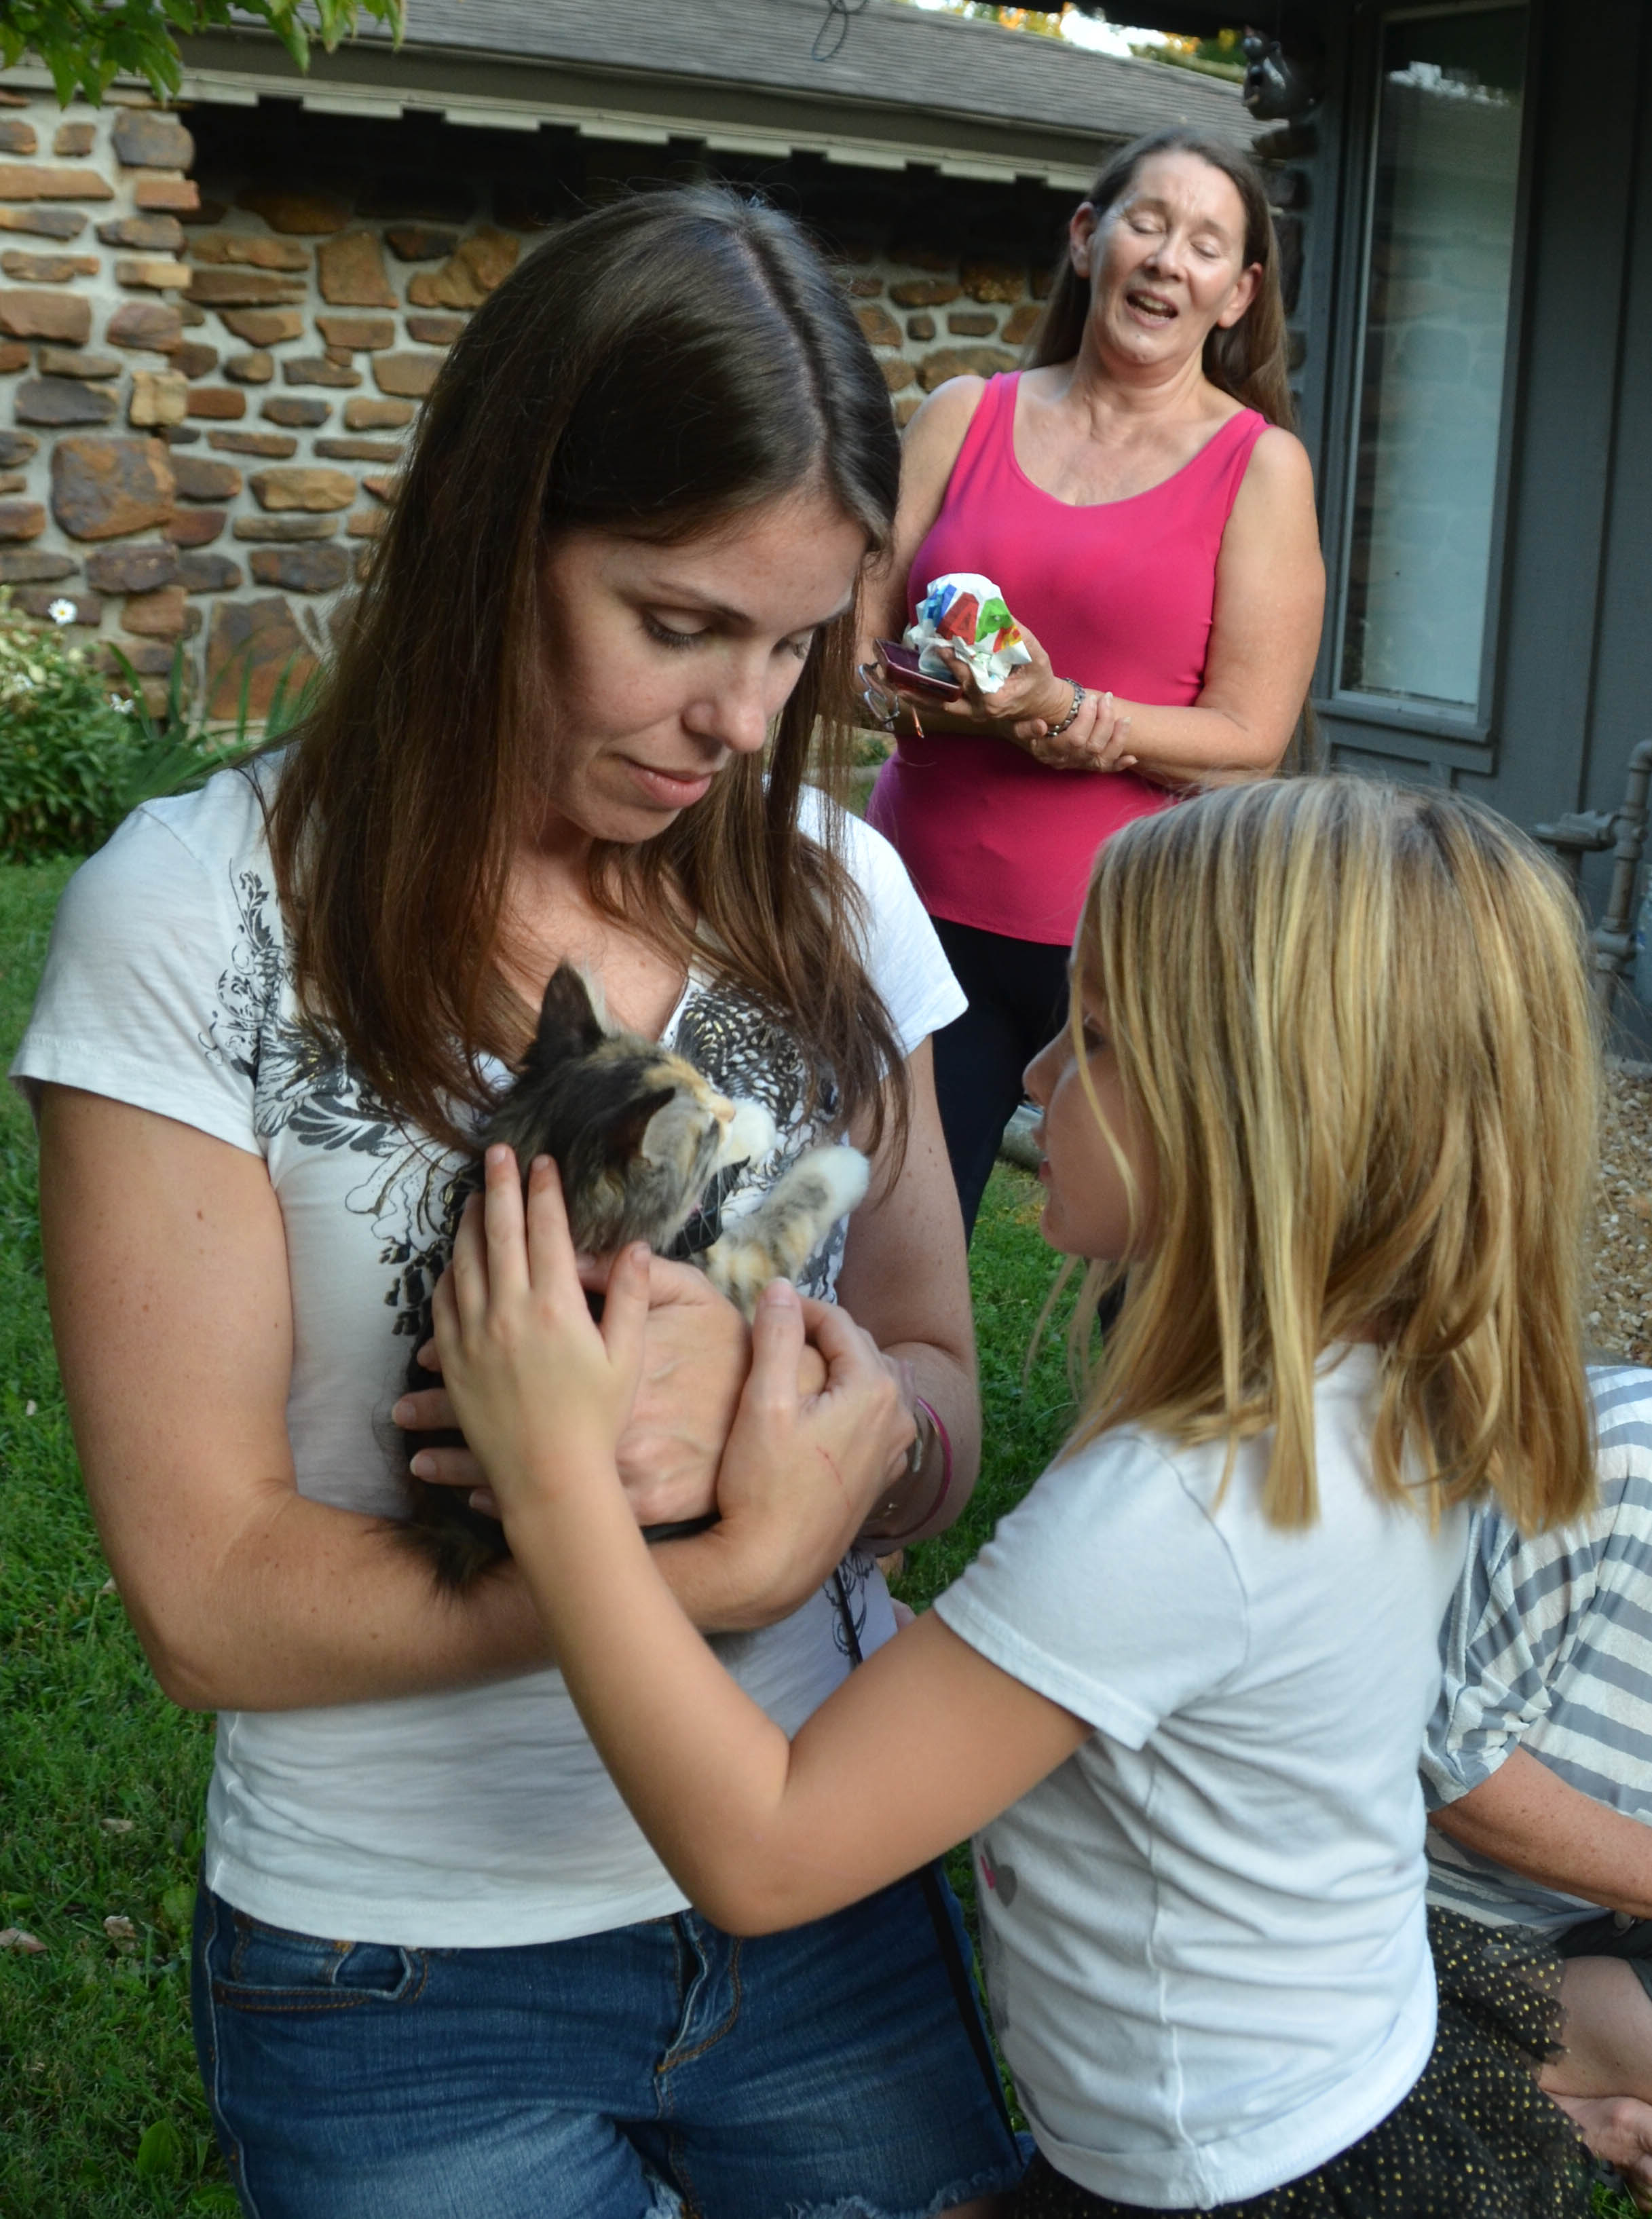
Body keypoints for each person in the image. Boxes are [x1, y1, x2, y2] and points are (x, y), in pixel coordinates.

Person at [13, 189, 1026, 2219]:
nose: (742, 719)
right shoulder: (196, 917)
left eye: (794, 638)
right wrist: (708, 1577)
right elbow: (208, 1595)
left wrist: (848, 1455)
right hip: (401, 1979)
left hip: (826, 1896)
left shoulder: (832, 889)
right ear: (495, 537)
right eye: (675, 624)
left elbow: (935, 1382)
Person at [430, 777, 1600, 2219]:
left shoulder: (1174, 1511)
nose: (1033, 1073)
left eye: (1093, 1035)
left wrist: (553, 1485)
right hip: (1312, 2068)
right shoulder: (1373, 1386)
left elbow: (767, 1846)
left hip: (1218, 2175)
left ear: (1260, 1106)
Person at [859, 128, 1324, 1239]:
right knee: (876, 1244)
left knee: (1136, 1277)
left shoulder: (1258, 466)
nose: (1167, 259)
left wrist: (1065, 714)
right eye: (1146, 222)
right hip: (911, 914)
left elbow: (1251, 734)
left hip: (1121, 944)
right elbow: (845, 648)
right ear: (1087, 239)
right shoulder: (961, 414)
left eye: (1204, 245)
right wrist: (959, 701)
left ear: (1235, 294)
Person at [1423, 1362, 1652, 2210]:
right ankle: (1526, 2086)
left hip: (1592, 1917)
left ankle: (1578, 2104)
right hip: (1430, 1912)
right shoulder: (1604, 1458)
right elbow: (1448, 1761)